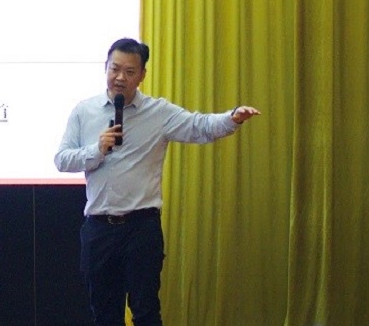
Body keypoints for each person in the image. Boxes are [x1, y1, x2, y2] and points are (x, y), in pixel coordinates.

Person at [54, 37, 260, 326]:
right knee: (105, 315)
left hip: (141, 227)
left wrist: (232, 118)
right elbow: (62, 160)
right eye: (115, 69)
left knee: (146, 312)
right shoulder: (84, 111)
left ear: (142, 75)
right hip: (99, 228)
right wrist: (96, 150)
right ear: (105, 68)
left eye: (129, 71)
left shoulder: (158, 113)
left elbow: (199, 126)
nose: (120, 77)